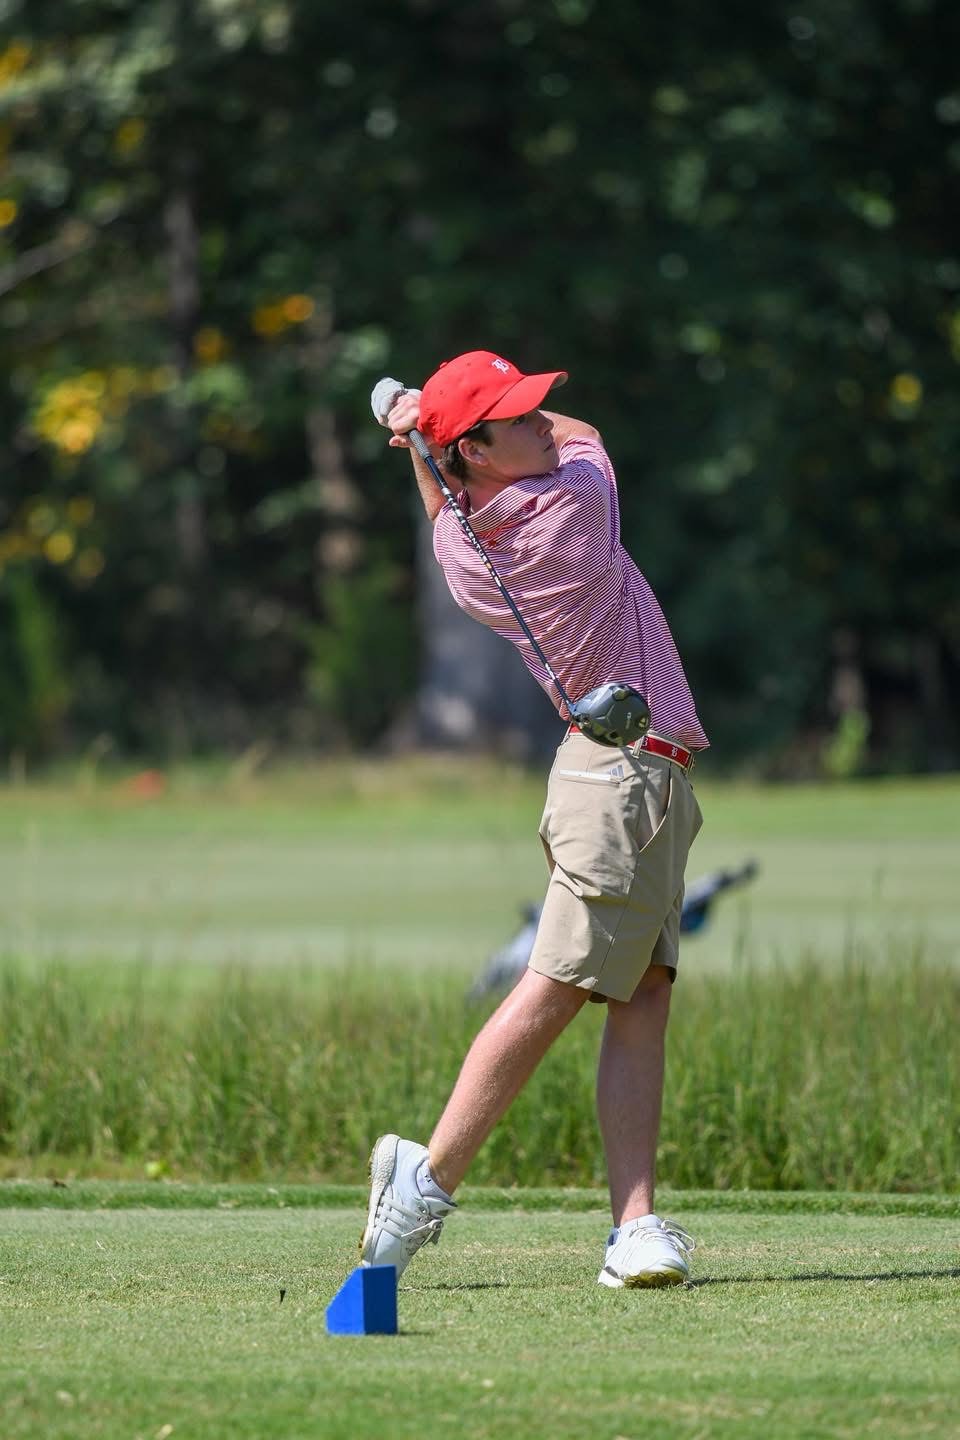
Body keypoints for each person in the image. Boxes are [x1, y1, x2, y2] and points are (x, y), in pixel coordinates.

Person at [360, 350, 708, 1288]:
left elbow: (445, 503)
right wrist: (419, 424)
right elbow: (587, 436)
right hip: (620, 782)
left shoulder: (463, 551)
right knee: (557, 985)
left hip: (641, 780)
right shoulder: (575, 512)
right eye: (516, 419)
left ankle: (632, 1228)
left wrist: (418, 436)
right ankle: (424, 1183)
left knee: (642, 992)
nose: (543, 425)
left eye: (536, 408)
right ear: (473, 448)